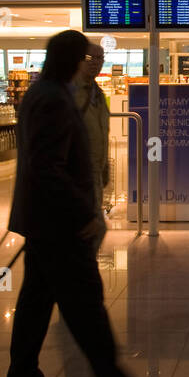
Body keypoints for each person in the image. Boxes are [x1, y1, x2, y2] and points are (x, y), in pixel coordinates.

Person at [4, 30, 160, 377]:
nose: (95, 63)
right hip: (58, 224)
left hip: (42, 220)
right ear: (74, 59)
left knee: (36, 302)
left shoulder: (42, 94)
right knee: (86, 304)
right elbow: (48, 168)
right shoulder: (54, 99)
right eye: (87, 57)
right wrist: (84, 214)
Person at [72, 41, 111, 256]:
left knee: (96, 232)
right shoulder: (68, 93)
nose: (97, 63)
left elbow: (101, 134)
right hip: (76, 181)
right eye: (91, 58)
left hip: (93, 176)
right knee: (87, 235)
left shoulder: (96, 92)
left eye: (101, 58)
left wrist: (104, 170)